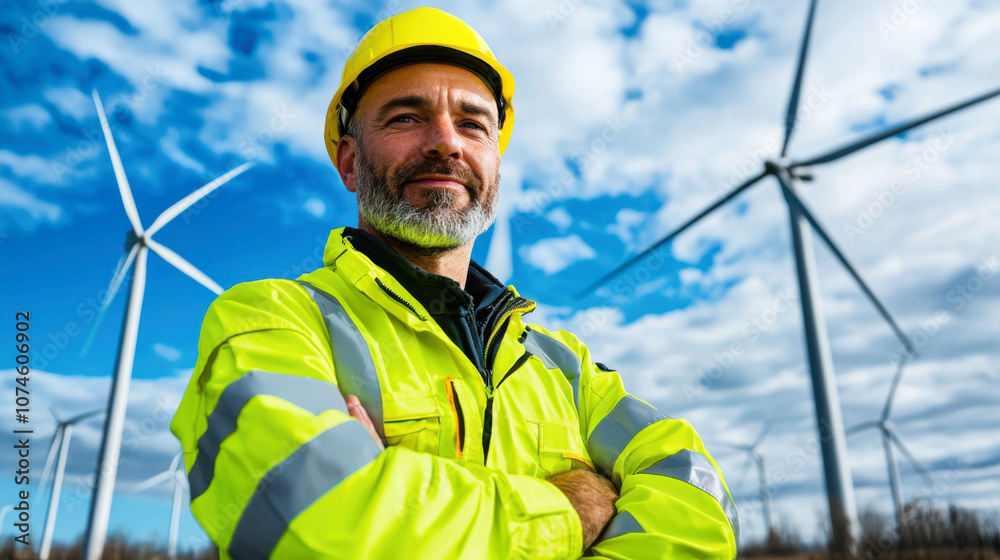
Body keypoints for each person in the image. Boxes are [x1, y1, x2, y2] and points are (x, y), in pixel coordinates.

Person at [171, 7, 738, 559]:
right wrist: (581, 506)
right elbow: (310, 517)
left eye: (473, 123)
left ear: (494, 163)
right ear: (349, 162)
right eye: (406, 118)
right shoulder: (271, 319)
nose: (446, 141)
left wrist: (401, 501)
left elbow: (700, 498)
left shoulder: (568, 370)